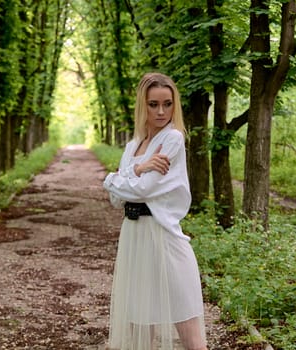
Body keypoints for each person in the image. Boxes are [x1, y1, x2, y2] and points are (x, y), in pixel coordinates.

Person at [103, 72, 207, 350]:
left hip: (164, 239)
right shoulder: (132, 147)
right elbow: (117, 201)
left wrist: (113, 179)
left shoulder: (172, 139)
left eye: (167, 104)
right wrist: (137, 169)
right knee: (140, 333)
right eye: (153, 104)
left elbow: (141, 191)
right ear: (142, 105)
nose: (161, 111)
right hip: (134, 240)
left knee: (190, 333)